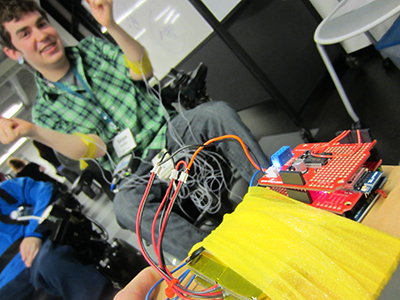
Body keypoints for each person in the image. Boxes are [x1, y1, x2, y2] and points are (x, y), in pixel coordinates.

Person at [0, 0, 270, 260]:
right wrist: (33, 132)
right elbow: (95, 147)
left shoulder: (91, 49)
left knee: (215, 113)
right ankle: (217, 258)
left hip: (169, 133)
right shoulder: (45, 112)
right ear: (13, 52)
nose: (42, 35)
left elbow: (142, 70)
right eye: (25, 33)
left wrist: (112, 25)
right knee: (126, 207)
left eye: (41, 24)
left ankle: (276, 191)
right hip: (133, 171)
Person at [0, 174, 118, 300]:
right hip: (9, 287)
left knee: (49, 264)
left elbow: (45, 191)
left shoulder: (6, 191)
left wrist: (33, 234)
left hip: (42, 251)